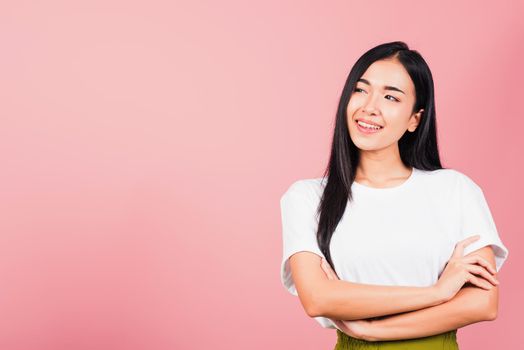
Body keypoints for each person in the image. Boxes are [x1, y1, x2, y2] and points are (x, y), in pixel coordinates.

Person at [279, 41, 509, 349]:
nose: (369, 106)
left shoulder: (455, 190)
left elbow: (482, 303)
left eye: (390, 96)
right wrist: (437, 293)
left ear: (415, 118)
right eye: (360, 90)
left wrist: (372, 331)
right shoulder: (307, 197)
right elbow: (318, 298)